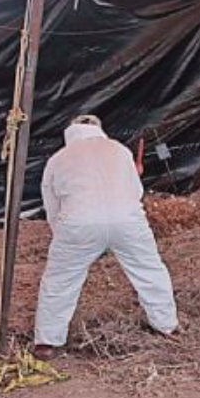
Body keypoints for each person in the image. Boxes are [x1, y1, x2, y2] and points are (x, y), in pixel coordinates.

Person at [33, 115, 179, 360]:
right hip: (128, 220)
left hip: (79, 222)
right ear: (99, 130)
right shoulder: (119, 150)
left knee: (60, 280)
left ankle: (47, 342)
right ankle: (167, 326)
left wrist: (63, 235)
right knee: (149, 269)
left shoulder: (58, 159)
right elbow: (136, 191)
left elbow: (52, 203)